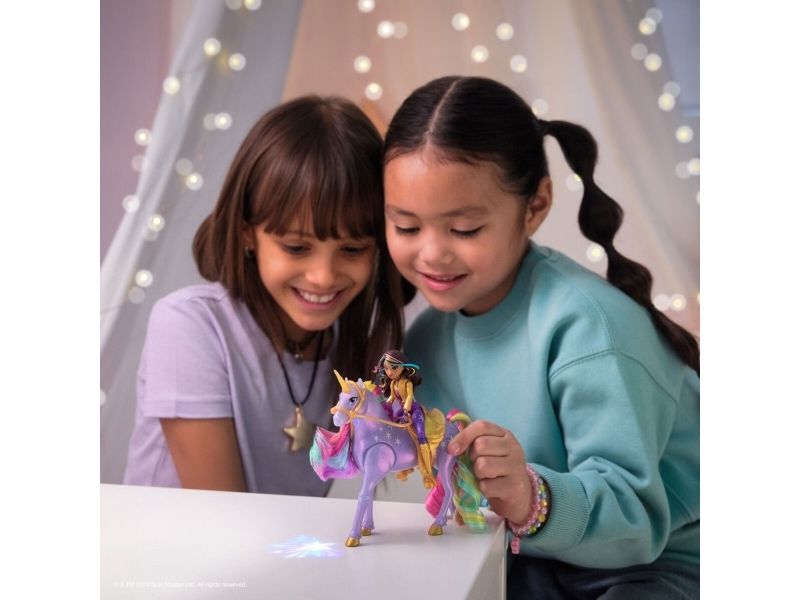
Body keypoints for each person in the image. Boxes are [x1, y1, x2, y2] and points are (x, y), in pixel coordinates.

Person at [383, 76, 699, 599]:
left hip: (660, 562)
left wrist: (531, 497)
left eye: (464, 229)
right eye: (407, 227)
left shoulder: (588, 329)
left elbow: (635, 519)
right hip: (531, 560)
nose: (432, 253)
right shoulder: (425, 339)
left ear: (535, 207)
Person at [123, 95, 405, 496]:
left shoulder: (349, 345)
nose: (324, 276)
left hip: (274, 541)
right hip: (183, 540)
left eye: (353, 249)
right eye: (296, 247)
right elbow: (221, 513)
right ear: (247, 234)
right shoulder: (189, 326)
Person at [371, 350, 434, 487]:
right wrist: (382, 405)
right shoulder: (393, 384)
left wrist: (406, 409)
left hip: (414, 410)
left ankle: (427, 471)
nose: (389, 372)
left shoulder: (407, 383)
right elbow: (391, 398)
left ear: (403, 367)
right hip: (402, 411)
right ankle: (405, 465)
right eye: (386, 368)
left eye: (393, 368)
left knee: (421, 436)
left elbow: (410, 397)